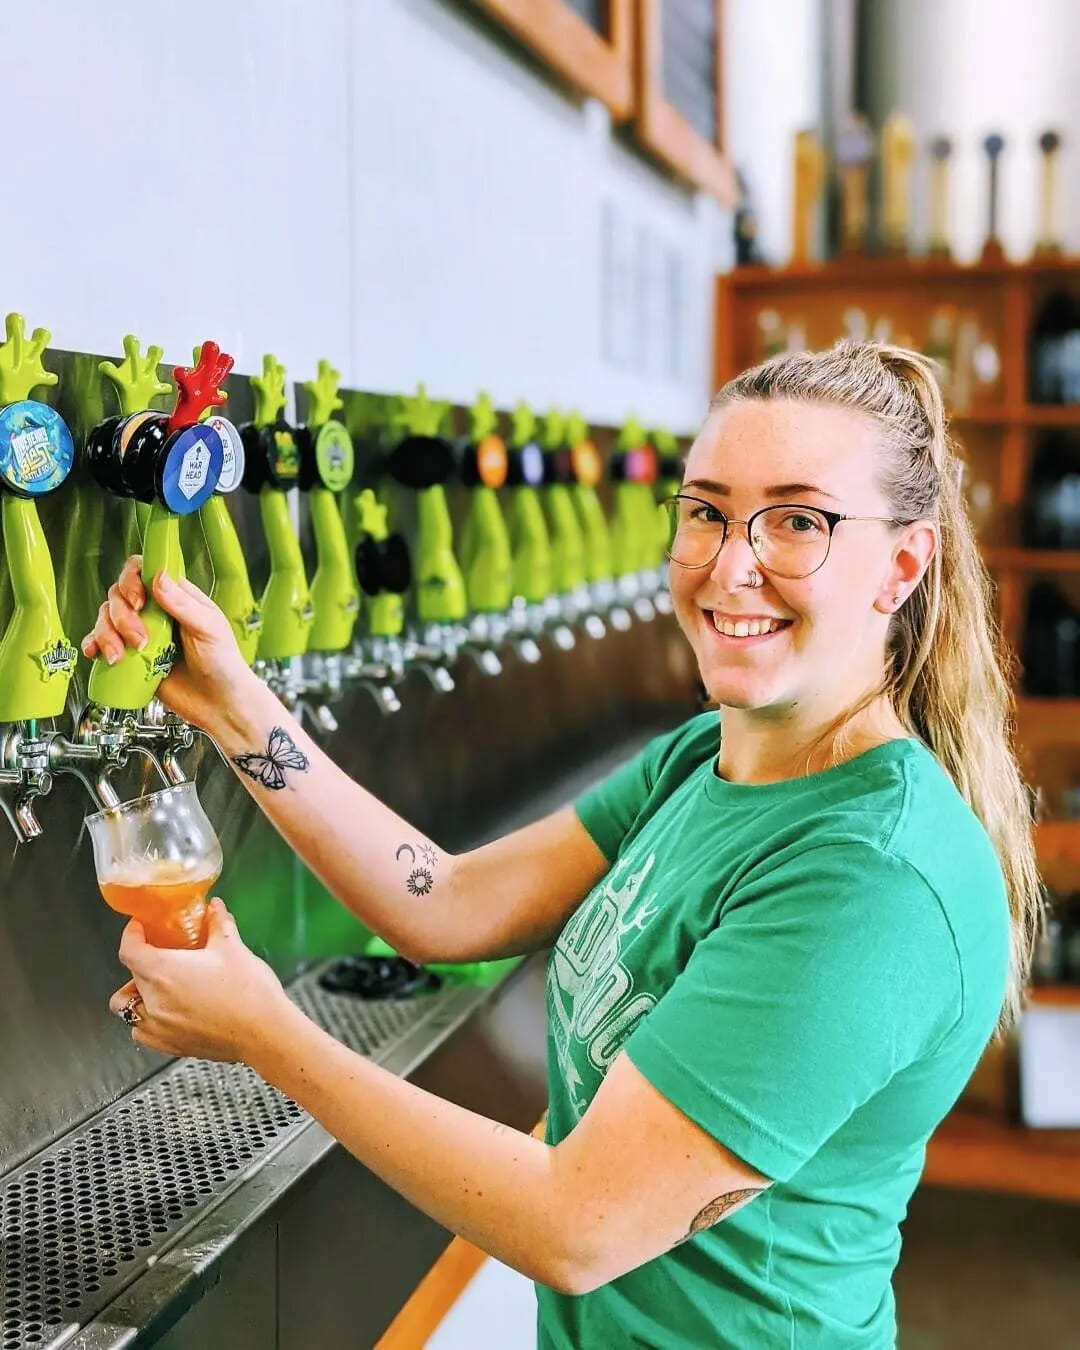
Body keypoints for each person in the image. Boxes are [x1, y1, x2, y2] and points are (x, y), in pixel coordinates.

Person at [84, 341, 1040, 1349]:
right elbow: (445, 903)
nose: (730, 565)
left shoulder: (870, 879)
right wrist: (235, 707)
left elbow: (575, 1225)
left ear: (903, 563)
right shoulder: (706, 759)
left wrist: (261, 1034)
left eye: (798, 522)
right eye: (706, 512)